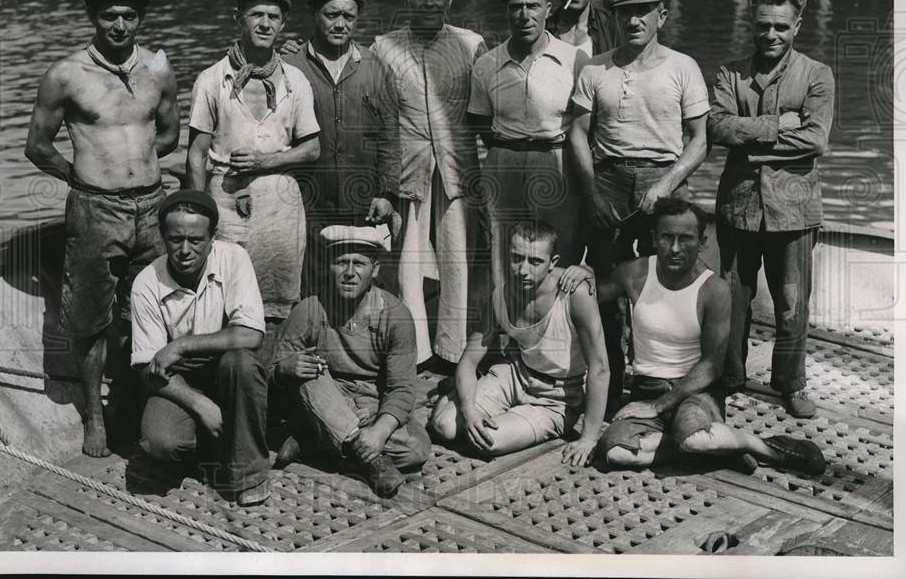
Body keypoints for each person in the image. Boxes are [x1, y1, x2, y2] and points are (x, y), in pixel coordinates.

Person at [24, 0, 180, 457]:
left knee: (153, 310)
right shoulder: (65, 74)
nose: (119, 25)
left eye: (129, 16)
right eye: (109, 15)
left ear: (140, 19)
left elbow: (169, 134)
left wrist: (135, 161)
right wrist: (83, 176)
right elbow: (37, 146)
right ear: (93, 17)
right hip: (95, 209)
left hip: (151, 207)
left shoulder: (158, 69)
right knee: (90, 320)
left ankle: (135, 407)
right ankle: (94, 415)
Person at [594, 198, 826, 476]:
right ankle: (720, 449)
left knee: (695, 439)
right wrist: (579, 275)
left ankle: (764, 447)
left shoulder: (713, 289)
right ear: (654, 238)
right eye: (667, 237)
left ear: (702, 242)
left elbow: (712, 366)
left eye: (686, 239)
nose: (675, 248)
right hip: (648, 389)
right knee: (615, 452)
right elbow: (593, 294)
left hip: (696, 392)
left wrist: (657, 406)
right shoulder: (635, 273)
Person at [568, 0, 710, 414]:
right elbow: (577, 133)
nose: (633, 21)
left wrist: (665, 186)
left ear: (661, 16)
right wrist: (592, 194)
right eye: (624, 13)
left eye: (643, 12)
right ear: (613, 19)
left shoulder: (682, 67)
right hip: (608, 180)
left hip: (664, 180)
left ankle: (661, 387)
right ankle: (609, 386)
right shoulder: (595, 69)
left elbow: (700, 140)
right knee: (608, 290)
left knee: (665, 287)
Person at [707, 0, 835, 419]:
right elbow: (717, 127)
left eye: (781, 26)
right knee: (732, 299)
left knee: (791, 303)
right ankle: (729, 376)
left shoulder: (817, 74)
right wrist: (779, 125)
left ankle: (790, 383)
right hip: (737, 205)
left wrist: (751, 144)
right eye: (763, 25)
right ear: (752, 23)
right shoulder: (730, 73)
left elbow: (816, 139)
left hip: (794, 209)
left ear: (797, 25)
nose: (771, 35)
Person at [371, 0, 488, 367]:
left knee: (458, 259)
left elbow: (488, 107)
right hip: (408, 169)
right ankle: (412, 352)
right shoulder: (383, 48)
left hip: (459, 166)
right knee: (406, 262)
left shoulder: (471, 45)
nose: (429, 2)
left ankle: (453, 353)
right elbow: (375, 113)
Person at [186, 0, 320, 328]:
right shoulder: (212, 79)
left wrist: (265, 162)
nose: (264, 24)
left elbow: (311, 149)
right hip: (227, 201)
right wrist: (199, 215)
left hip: (281, 203)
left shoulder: (295, 80)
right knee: (225, 295)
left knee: (279, 300)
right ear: (238, 19)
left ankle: (274, 359)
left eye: (273, 17)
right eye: (256, 15)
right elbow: (197, 155)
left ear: (283, 24)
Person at [131, 190, 272, 506]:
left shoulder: (234, 258)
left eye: (195, 240)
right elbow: (146, 368)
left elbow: (252, 336)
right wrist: (199, 404)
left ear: (213, 237)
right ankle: (211, 446)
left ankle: (250, 474)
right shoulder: (145, 283)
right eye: (175, 239)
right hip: (177, 379)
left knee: (242, 363)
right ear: (162, 236)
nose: (184, 250)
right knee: (160, 445)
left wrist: (182, 345)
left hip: (228, 369)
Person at [428, 221, 609, 465]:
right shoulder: (501, 295)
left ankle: (467, 398)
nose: (523, 270)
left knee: (486, 440)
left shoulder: (573, 293)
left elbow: (600, 368)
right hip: (515, 375)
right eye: (516, 258)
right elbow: (468, 362)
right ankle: (463, 394)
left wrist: (588, 438)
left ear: (553, 262)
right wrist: (469, 408)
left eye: (535, 261)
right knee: (444, 426)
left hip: (556, 397)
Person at [271, 225, 430, 498]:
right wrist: (285, 369)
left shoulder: (395, 315)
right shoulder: (309, 309)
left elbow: (402, 388)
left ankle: (314, 441)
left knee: (417, 449)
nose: (349, 272)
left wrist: (380, 430)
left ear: (375, 269)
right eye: (341, 262)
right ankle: (371, 460)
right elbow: (269, 375)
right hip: (323, 396)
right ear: (328, 266)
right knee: (307, 373)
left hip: (371, 402)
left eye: (359, 263)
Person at [469, 0, 592, 292]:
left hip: (557, 160)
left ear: (549, 9)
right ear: (507, 13)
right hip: (504, 162)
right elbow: (480, 120)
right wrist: (509, 149)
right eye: (516, 7)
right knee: (502, 249)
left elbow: (587, 124)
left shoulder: (576, 59)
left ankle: (556, 318)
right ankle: (503, 317)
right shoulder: (486, 64)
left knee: (559, 248)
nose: (525, 15)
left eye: (533, 6)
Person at [284, 0, 401, 296]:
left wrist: (387, 194)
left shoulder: (376, 69)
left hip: (362, 201)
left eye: (348, 16)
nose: (340, 24)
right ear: (314, 15)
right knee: (310, 283)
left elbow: (390, 137)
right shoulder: (289, 66)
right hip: (306, 199)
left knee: (357, 282)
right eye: (331, 14)